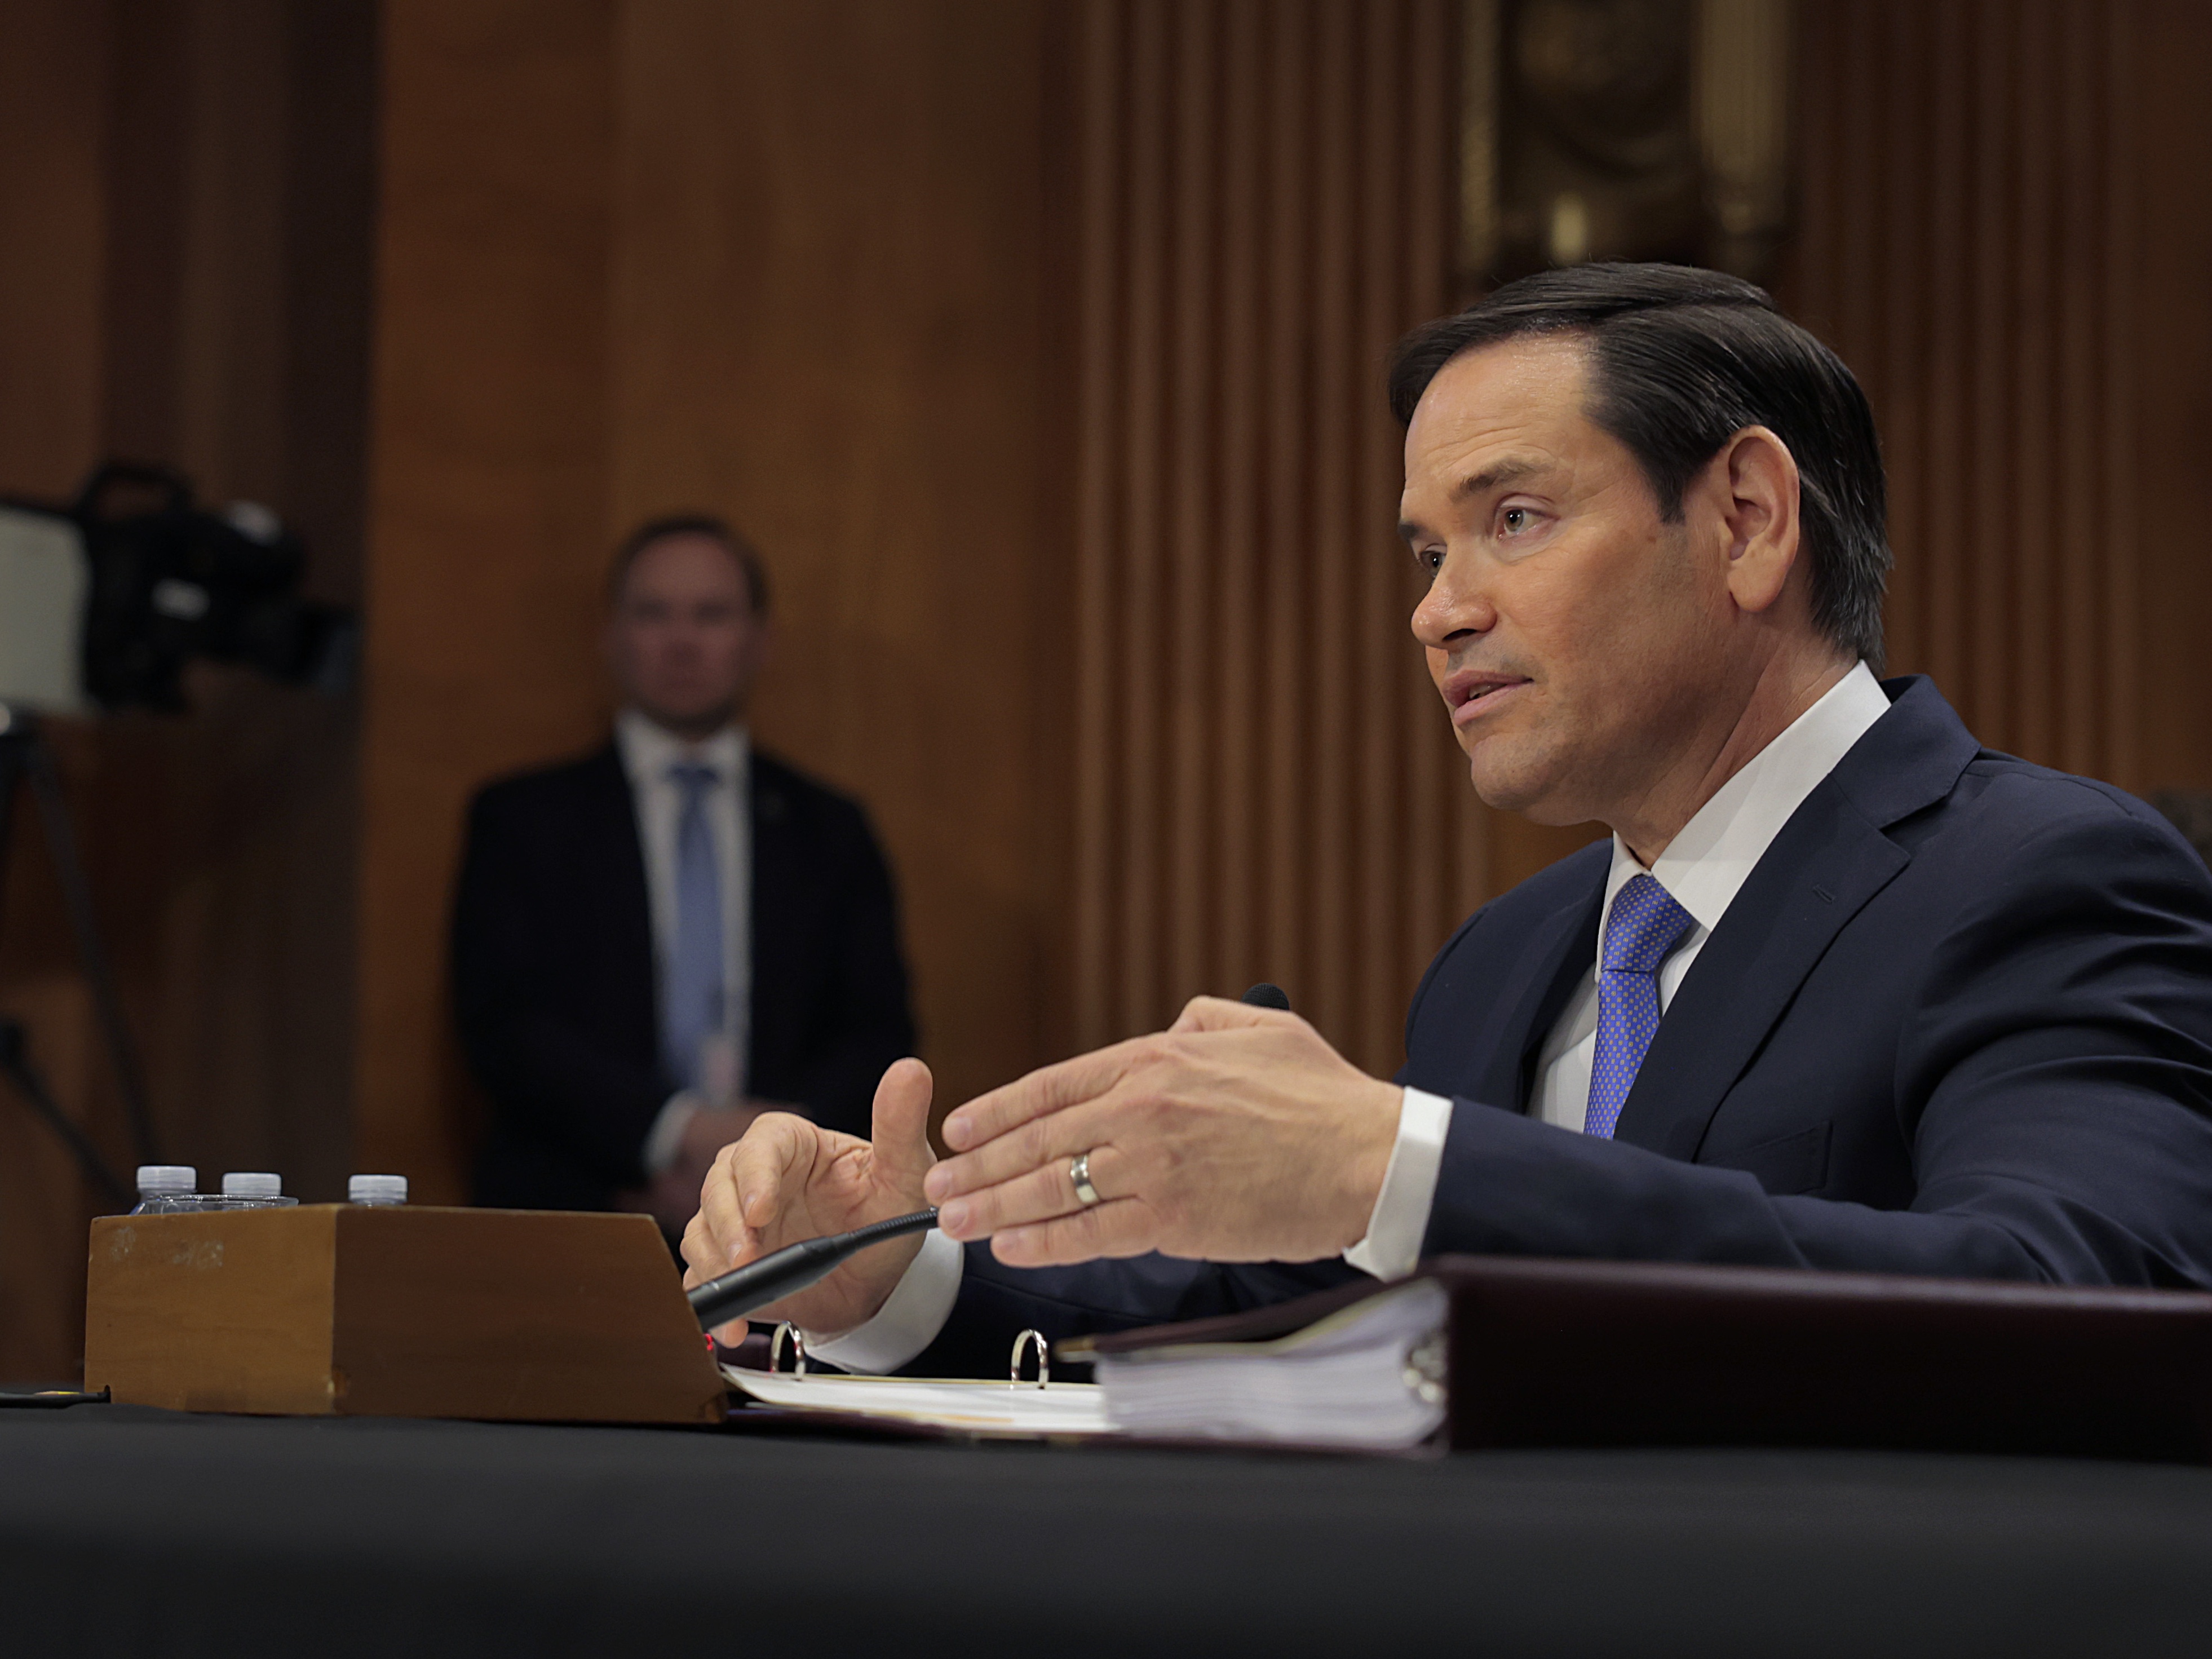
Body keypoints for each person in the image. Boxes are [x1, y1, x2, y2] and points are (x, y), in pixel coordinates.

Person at [682, 264, 2212, 1376]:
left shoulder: (2042, 873)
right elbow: (1284, 1301)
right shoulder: (1510, 949)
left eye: (1512, 520)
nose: (1435, 611)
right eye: (1424, 550)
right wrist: (889, 1276)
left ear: (1744, 520)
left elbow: (2079, 1305)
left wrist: (1398, 1159)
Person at [454, 515, 915, 1231]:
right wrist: (674, 1133)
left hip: (791, 1217)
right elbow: (503, 1028)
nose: (682, 640)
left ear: (760, 639)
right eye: (653, 613)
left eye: (711, 614)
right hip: (578, 1210)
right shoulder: (522, 819)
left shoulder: (831, 829)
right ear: (610, 635)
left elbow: (878, 1033)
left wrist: (764, 1143)